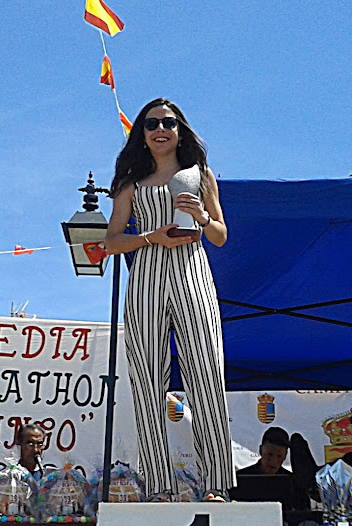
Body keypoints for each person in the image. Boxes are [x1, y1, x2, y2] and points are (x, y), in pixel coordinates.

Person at [105, 98, 235, 502]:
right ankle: (159, 485)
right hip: (147, 275)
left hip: (192, 273)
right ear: (141, 133)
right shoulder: (130, 183)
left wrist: (202, 217)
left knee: (207, 372)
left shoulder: (201, 175)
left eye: (168, 122)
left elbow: (220, 236)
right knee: (147, 381)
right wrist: (150, 237)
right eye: (151, 124)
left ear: (180, 130)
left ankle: (215, 483)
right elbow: (111, 242)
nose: (160, 129)